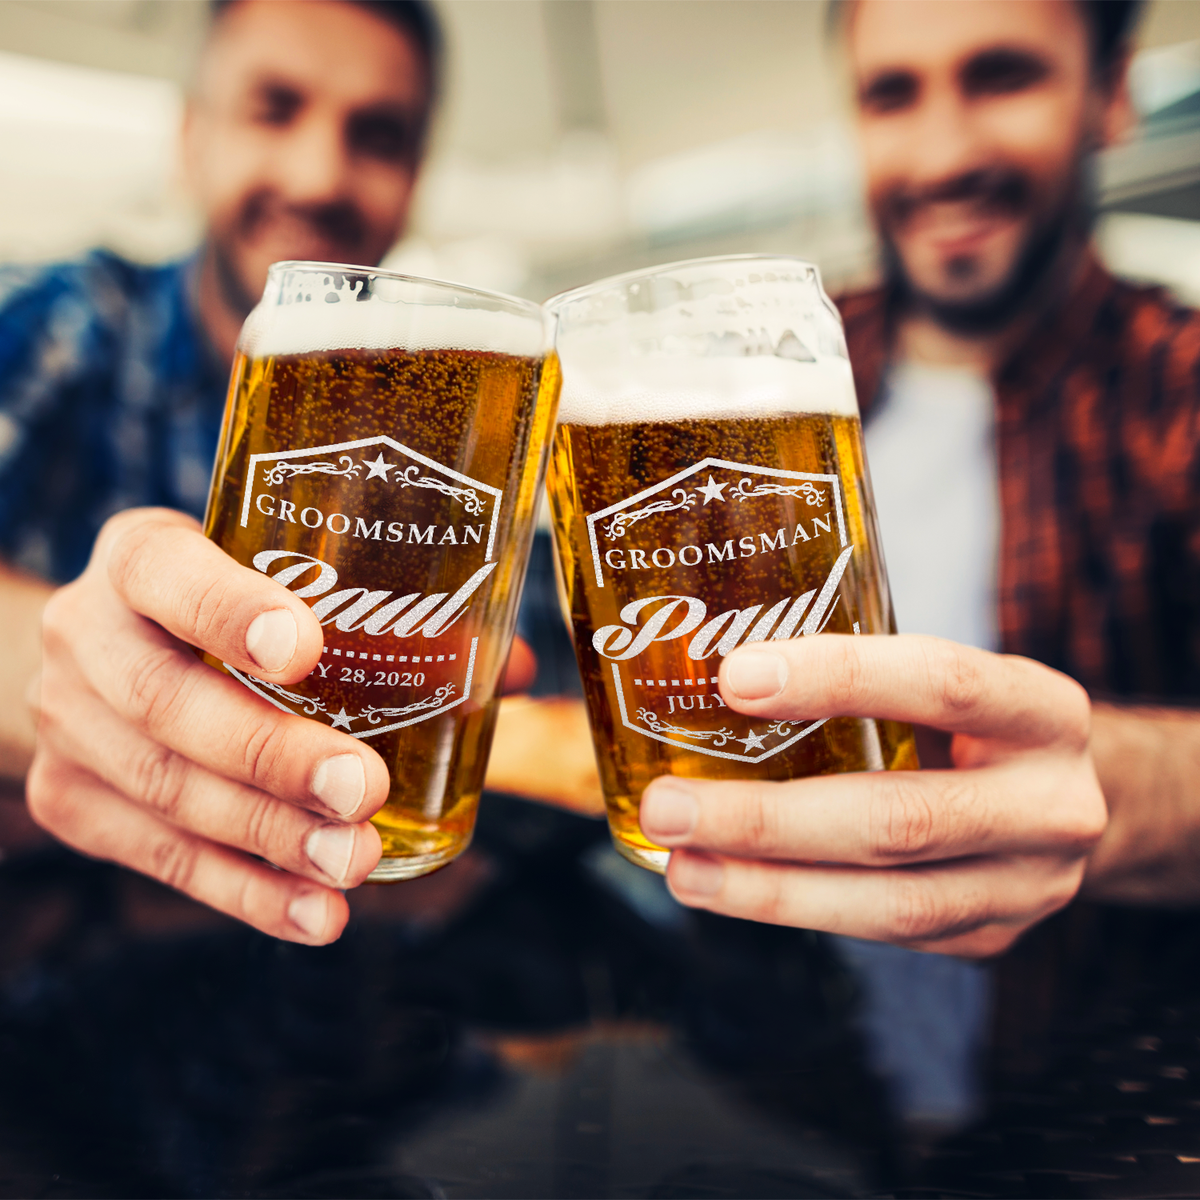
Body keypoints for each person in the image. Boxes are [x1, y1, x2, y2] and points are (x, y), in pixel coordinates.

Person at [639, 0, 1200, 960]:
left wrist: (1110, 793)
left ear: (1111, 95)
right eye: (892, 94)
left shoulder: (1176, 390)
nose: (942, 156)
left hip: (1092, 1069)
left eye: (1001, 77)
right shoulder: (742, 387)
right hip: (799, 1066)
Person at [0, 0, 528, 946]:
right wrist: (66, 665)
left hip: (368, 977)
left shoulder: (469, 420)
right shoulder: (69, 330)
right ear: (191, 139)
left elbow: (527, 688)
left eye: (378, 134)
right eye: (274, 108)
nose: (321, 174)